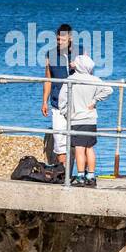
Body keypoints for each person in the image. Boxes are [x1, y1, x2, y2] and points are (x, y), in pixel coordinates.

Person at [59, 54, 112, 187]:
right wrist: (94, 101)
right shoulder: (94, 79)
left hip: (77, 119)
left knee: (79, 148)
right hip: (91, 118)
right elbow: (109, 89)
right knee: (90, 148)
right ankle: (91, 176)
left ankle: (81, 176)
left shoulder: (71, 79)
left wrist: (66, 114)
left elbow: (62, 100)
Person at [41, 23, 77, 167]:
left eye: (63, 39)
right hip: (57, 104)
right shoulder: (50, 54)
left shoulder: (79, 52)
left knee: (80, 141)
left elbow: (89, 77)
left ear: (70, 38)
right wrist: (44, 101)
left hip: (77, 104)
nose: (60, 42)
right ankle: (62, 173)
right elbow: (48, 79)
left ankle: (85, 175)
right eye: (58, 39)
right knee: (59, 141)